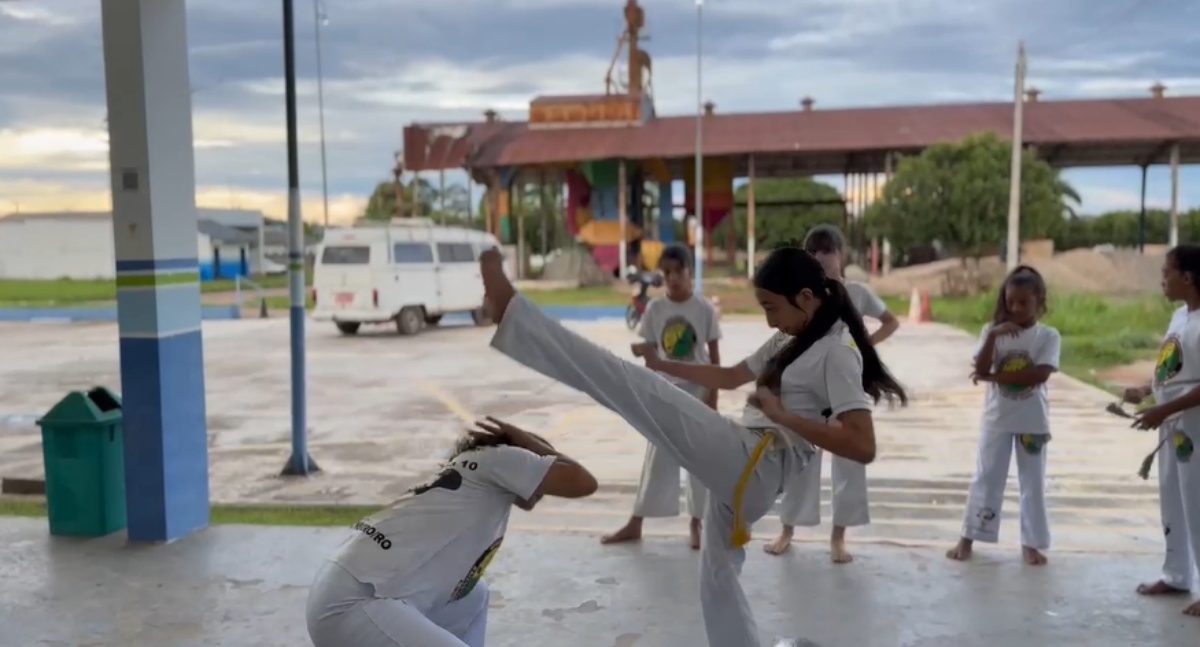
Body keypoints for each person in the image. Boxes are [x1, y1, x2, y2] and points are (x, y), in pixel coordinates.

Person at [477, 246, 906, 647]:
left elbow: (862, 444)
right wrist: (663, 365)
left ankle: (513, 314)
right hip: (746, 471)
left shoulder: (838, 350)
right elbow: (733, 374)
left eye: (772, 308)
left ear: (806, 297)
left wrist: (784, 417)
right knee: (717, 575)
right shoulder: (796, 334)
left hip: (753, 463)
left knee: (627, 385)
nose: (770, 320)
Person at [306, 418, 598, 647]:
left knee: (472, 596)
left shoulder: (472, 479)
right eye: (539, 464)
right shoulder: (500, 457)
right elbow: (584, 482)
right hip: (355, 601)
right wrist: (529, 442)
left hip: (342, 590)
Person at [764, 224, 902, 561]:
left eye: (828, 251)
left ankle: (839, 537)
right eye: (814, 252)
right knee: (799, 458)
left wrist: (864, 347)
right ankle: (787, 529)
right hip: (808, 390)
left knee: (849, 463)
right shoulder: (801, 294)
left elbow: (891, 321)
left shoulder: (858, 292)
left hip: (846, 390)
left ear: (841, 255)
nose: (822, 258)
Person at [603, 244, 719, 549]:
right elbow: (650, 356)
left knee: (699, 460)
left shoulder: (704, 309)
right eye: (666, 273)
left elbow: (715, 360)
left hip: (697, 390)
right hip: (665, 392)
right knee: (657, 458)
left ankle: (697, 523)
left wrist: (713, 399)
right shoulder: (655, 310)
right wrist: (648, 388)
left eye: (678, 272)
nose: (672, 278)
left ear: (688, 273)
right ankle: (636, 522)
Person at [946, 265, 1059, 565]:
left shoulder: (1047, 336)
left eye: (1024, 303)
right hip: (997, 420)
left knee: (1032, 483)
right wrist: (994, 336)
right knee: (985, 478)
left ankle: (1031, 543)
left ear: (1040, 302)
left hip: (1032, 424)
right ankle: (968, 537)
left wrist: (994, 379)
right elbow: (980, 368)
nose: (1016, 309)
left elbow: (1039, 375)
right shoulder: (992, 332)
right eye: (1011, 302)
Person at [1123, 244, 1200, 618]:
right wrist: (1145, 390)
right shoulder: (1179, 318)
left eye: (1167, 272)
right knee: (1174, 499)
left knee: (1198, 503)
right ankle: (1177, 574)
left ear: (1188, 278)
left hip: (1195, 426)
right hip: (1172, 424)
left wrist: (1164, 409)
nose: (1162, 279)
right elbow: (1171, 369)